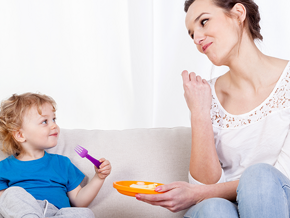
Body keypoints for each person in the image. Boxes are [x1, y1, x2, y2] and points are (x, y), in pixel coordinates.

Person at [136, 0, 290, 217]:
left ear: (238, 14)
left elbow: (284, 174)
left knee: (259, 177)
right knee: (212, 208)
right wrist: (199, 113)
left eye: (204, 22)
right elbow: (206, 187)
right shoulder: (204, 93)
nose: (197, 39)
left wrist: (197, 194)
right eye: (191, 34)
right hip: (221, 209)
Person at [0, 93, 111, 218]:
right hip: (25, 213)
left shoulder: (63, 163)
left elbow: (79, 202)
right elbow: (5, 206)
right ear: (20, 135)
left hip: (58, 214)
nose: (54, 125)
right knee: (11, 194)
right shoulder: (3, 168)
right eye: (44, 121)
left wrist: (99, 177)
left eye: (54, 119)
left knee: (85, 213)